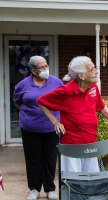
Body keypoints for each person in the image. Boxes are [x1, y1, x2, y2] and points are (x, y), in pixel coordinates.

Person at [36, 56, 108, 173]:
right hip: (72, 147)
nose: (96, 71)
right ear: (81, 76)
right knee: (74, 183)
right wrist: (55, 122)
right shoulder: (66, 91)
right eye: (92, 69)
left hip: (91, 144)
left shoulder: (93, 87)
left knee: (91, 181)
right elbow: (41, 101)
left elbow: (101, 106)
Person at [13, 55, 63, 200]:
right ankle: (34, 189)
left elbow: (63, 100)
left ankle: (49, 189)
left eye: (46, 65)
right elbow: (18, 103)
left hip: (52, 128)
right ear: (33, 71)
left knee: (50, 158)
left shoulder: (56, 82)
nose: (46, 69)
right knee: (33, 159)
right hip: (30, 128)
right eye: (42, 67)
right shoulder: (22, 85)